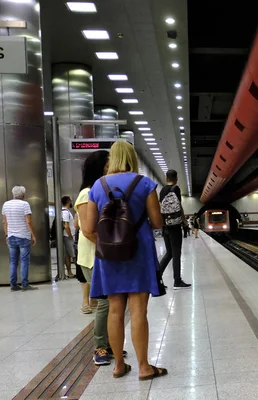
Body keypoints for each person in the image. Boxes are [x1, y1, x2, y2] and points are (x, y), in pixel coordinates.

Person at [82, 141, 168, 380]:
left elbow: (88, 227)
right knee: (139, 310)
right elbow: (158, 223)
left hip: (109, 256)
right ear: (132, 158)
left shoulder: (98, 186)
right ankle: (143, 367)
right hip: (138, 252)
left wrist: (112, 239)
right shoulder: (145, 184)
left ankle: (119, 365)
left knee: (114, 311)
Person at [75, 150, 124, 364]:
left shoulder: (95, 190)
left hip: (100, 255)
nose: (111, 167)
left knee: (111, 301)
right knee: (105, 302)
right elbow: (87, 230)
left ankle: (110, 345)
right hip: (93, 256)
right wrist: (112, 247)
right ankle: (100, 348)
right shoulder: (87, 193)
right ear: (100, 167)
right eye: (108, 164)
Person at [158, 170, 192, 289]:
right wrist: (184, 221)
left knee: (169, 253)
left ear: (166, 178)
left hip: (165, 225)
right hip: (175, 226)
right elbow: (179, 206)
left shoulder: (162, 190)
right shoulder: (176, 189)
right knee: (176, 253)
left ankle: (157, 277)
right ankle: (177, 281)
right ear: (176, 178)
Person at [2, 186, 38, 291]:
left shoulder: (6, 204)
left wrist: (6, 235)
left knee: (13, 261)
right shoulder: (24, 204)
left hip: (11, 237)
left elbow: (4, 222)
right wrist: (33, 235)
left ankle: (13, 284)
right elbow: (28, 221)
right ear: (23, 195)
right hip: (23, 236)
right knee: (24, 261)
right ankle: (25, 284)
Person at [61, 196, 76, 278]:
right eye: (71, 201)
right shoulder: (65, 212)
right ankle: (79, 272)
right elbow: (66, 226)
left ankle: (69, 272)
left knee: (67, 255)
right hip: (68, 236)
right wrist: (70, 236)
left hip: (66, 236)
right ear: (68, 202)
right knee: (74, 254)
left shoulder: (64, 211)